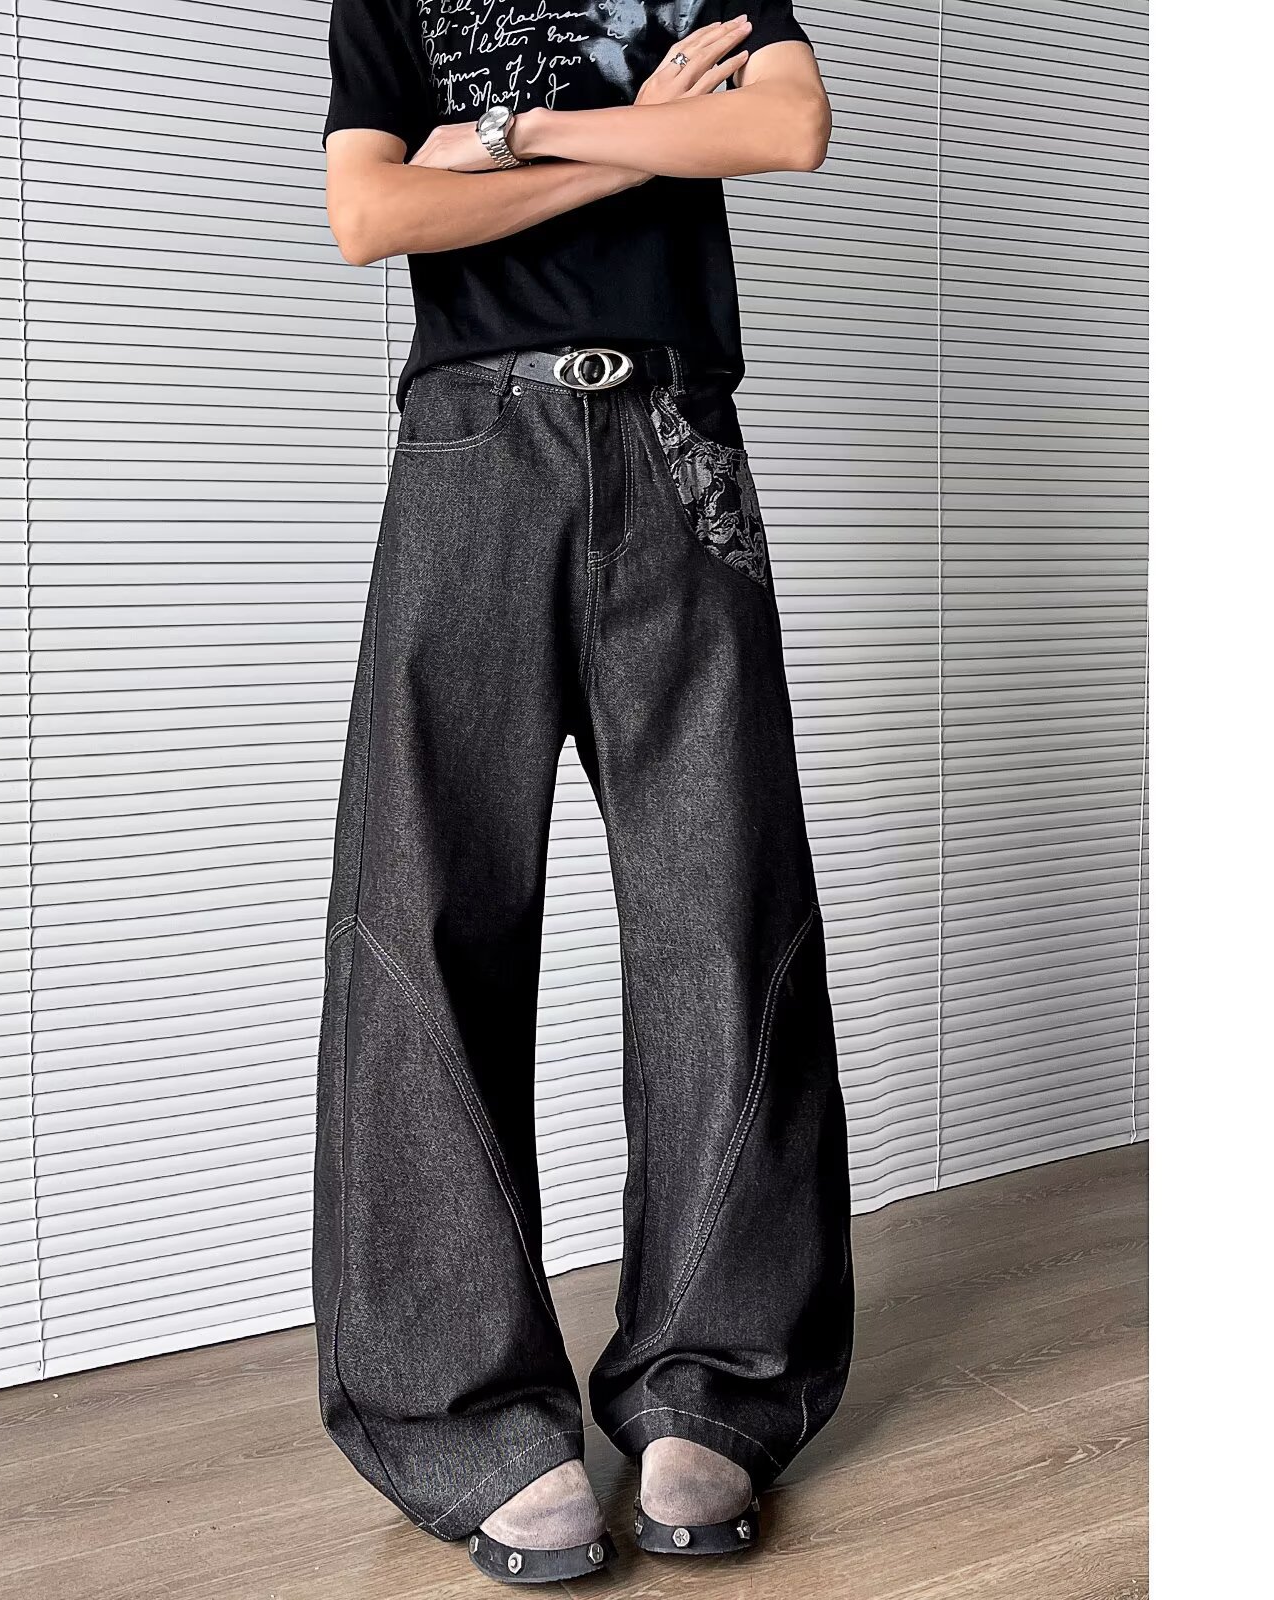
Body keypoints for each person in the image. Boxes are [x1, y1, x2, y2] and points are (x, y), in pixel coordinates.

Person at [311, 1, 853, 1584]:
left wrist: (507, 139)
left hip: (679, 438)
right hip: (472, 445)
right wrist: (638, 137)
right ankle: (468, 1414)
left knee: (723, 910)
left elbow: (784, 126)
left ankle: (713, 1383)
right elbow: (372, 215)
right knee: (428, 925)